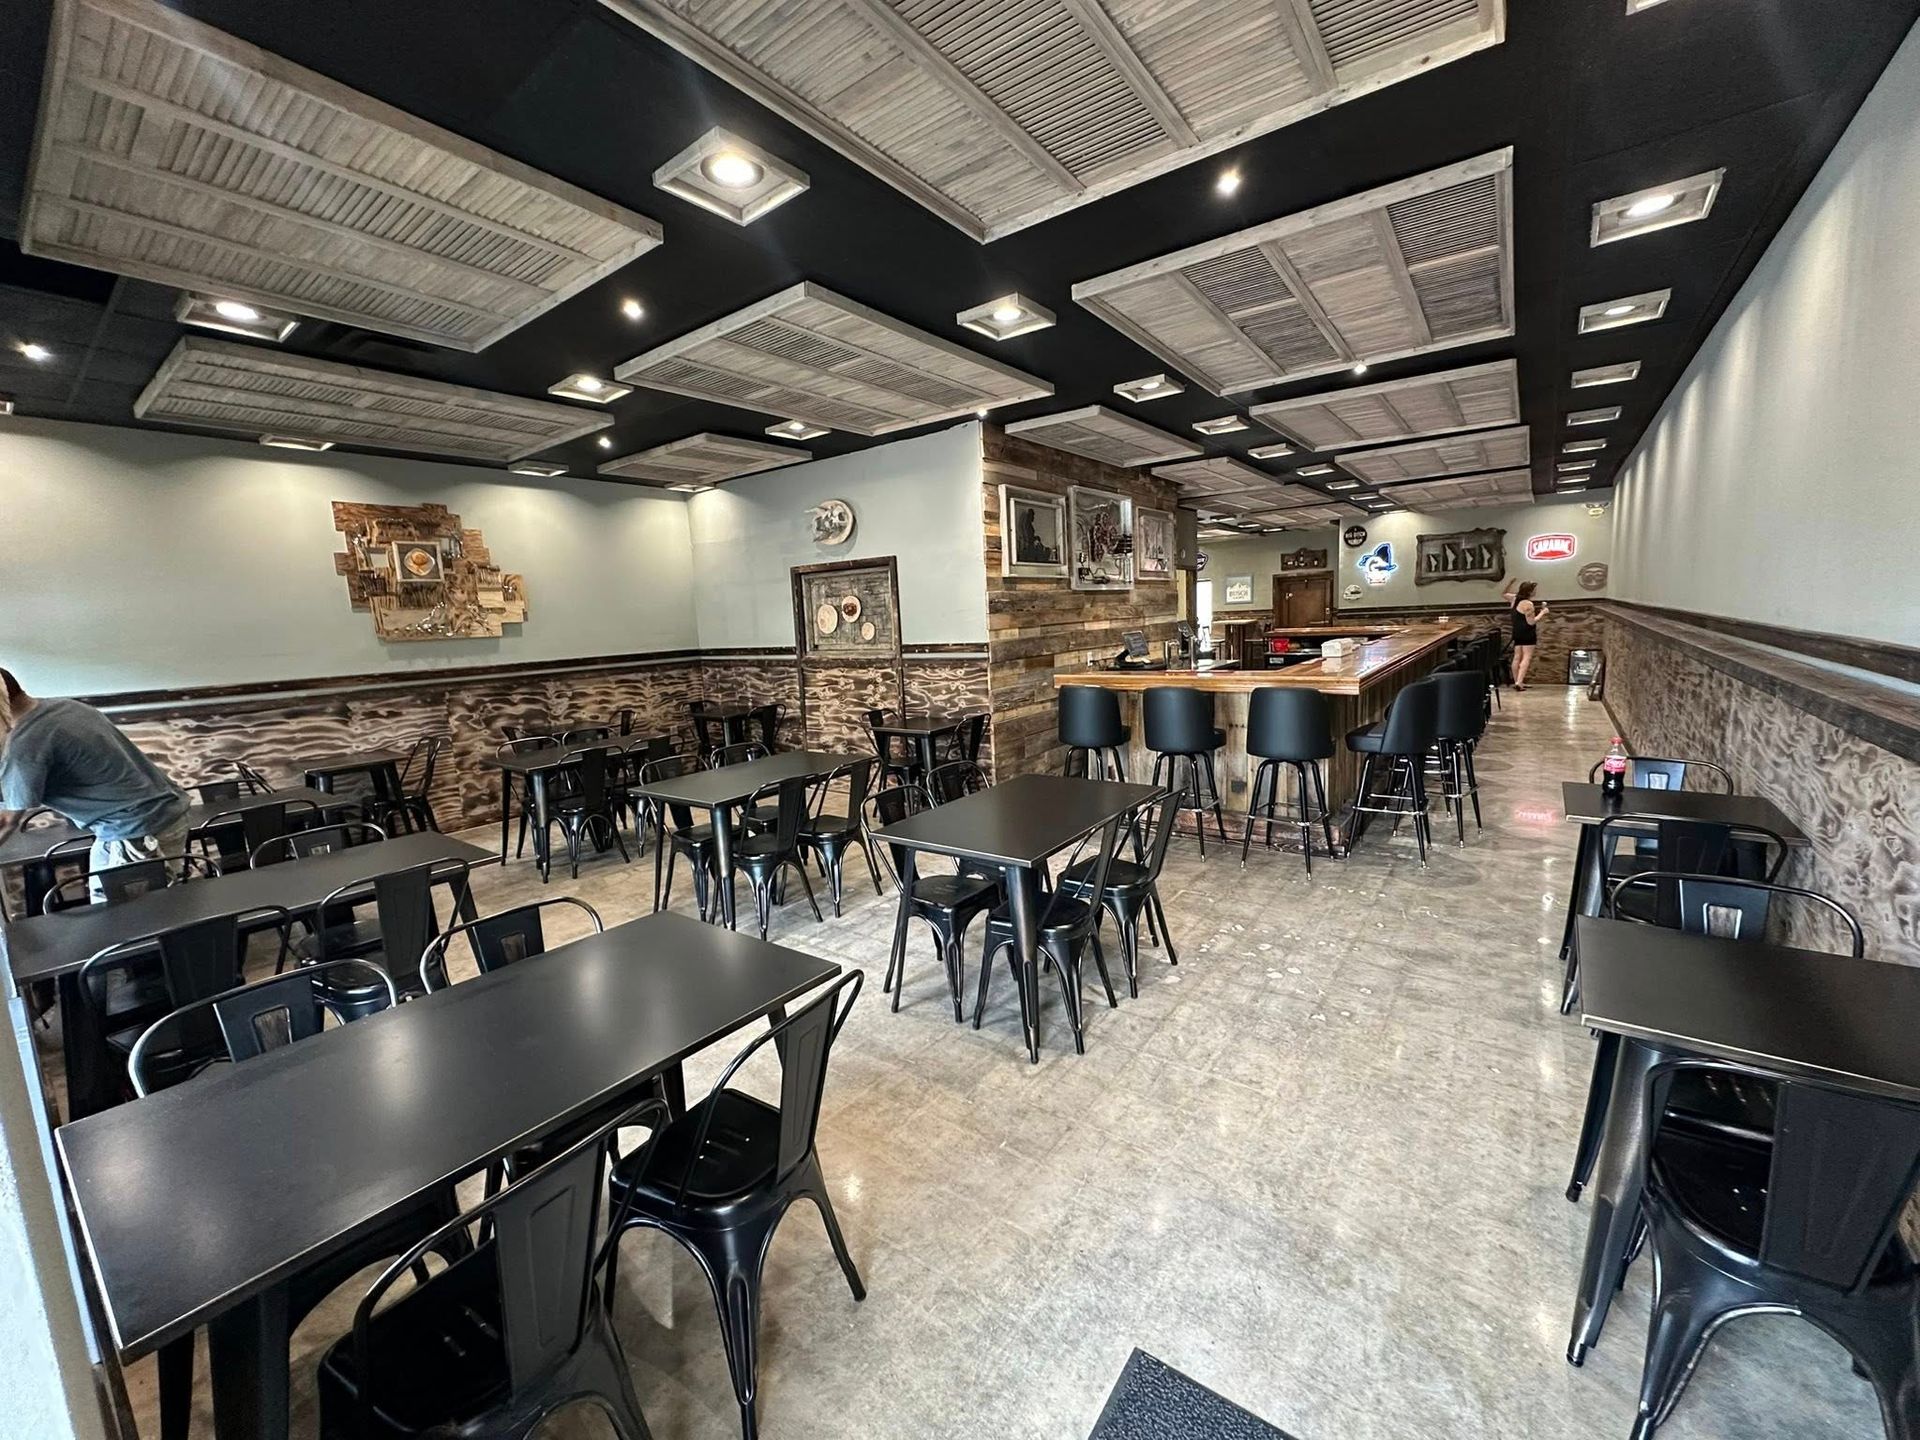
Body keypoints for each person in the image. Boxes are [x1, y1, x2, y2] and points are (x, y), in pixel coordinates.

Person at [0, 667, 191, 896]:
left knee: (122, 921)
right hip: (160, 814)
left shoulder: (25, 744)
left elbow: (8, 820)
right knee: (141, 909)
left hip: (136, 830)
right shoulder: (65, 707)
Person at [1506, 581, 1549, 690]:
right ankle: (1519, 682)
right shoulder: (1528, 604)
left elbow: (1504, 593)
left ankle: (1517, 681)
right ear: (1529, 591)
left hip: (1516, 631)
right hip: (1527, 632)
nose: (1535, 592)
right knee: (1526, 657)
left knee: (1517, 657)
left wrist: (1510, 583)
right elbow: (1531, 622)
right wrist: (1543, 612)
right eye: (1534, 590)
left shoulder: (1514, 599)